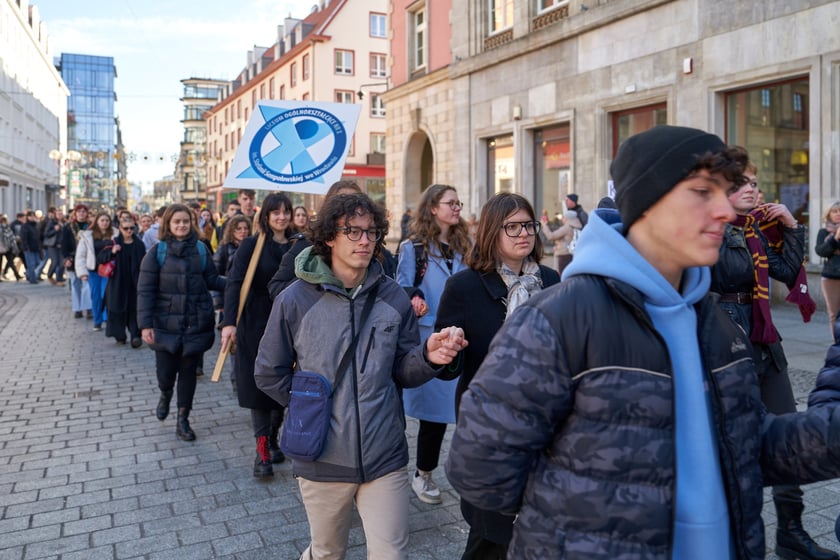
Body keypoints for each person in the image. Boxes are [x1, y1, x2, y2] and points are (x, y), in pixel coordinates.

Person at [445, 125, 840, 559]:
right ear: (649, 201)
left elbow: (747, 443)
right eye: (702, 192)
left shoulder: (715, 323)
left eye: (725, 193)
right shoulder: (560, 318)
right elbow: (479, 467)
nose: (725, 211)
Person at [253, 192, 467, 560]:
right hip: (322, 456)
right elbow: (268, 372)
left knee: (391, 554)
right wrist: (309, 406)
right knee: (327, 552)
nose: (364, 240)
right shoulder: (295, 300)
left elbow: (403, 369)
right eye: (352, 231)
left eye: (371, 232)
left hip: (384, 454)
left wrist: (429, 357)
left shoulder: (394, 298)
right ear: (329, 238)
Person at [710, 155, 834, 560]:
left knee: (788, 436)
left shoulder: (755, 230)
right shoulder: (711, 230)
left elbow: (784, 270)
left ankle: (791, 532)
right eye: (742, 184)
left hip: (765, 341)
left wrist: (792, 227)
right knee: (729, 444)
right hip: (728, 339)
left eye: (754, 184)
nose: (752, 190)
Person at [435, 192, 560, 559]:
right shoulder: (465, 287)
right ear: (493, 231)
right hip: (490, 427)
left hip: (545, 423)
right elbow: (447, 369)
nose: (524, 234)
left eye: (529, 225)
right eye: (513, 227)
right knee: (492, 533)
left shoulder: (551, 280)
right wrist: (448, 351)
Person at [397, 183, 472, 505]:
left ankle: (466, 472)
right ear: (432, 208)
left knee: (462, 407)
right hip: (430, 339)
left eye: (458, 203)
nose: (456, 208)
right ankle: (422, 474)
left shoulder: (466, 246)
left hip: (465, 338)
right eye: (450, 203)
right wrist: (414, 298)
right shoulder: (413, 248)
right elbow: (402, 286)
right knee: (434, 415)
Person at [220, 193, 295, 477]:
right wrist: (229, 323)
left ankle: (274, 437)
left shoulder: (298, 246)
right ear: (265, 215)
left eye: (285, 211)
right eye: (275, 212)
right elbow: (234, 284)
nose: (281, 217)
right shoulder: (252, 245)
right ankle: (262, 453)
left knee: (283, 388)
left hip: (290, 327)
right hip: (255, 325)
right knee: (259, 389)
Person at [137, 204, 225, 441]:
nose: (182, 225)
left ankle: (183, 418)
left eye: (186, 221)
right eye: (177, 221)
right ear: (168, 224)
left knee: (188, 374)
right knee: (166, 374)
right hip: (164, 325)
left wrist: (237, 283)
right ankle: (165, 394)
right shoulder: (157, 252)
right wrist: (145, 325)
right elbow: (145, 290)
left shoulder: (200, 249)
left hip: (195, 323)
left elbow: (213, 280)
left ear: (192, 223)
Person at [267, 180, 363, 299]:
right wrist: (314, 280)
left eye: (356, 202)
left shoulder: (369, 245)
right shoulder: (307, 244)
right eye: (343, 202)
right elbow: (276, 288)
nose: (350, 209)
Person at [98, 217, 146, 347]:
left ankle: (136, 336)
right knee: (116, 309)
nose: (129, 231)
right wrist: (112, 252)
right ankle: (119, 335)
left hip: (135, 283)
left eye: (132, 228)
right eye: (126, 228)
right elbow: (101, 258)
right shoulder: (113, 243)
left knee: (134, 309)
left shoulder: (139, 244)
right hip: (117, 283)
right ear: (120, 229)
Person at [212, 214, 251, 339]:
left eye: (245, 228)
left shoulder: (253, 247)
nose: (243, 231)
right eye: (238, 229)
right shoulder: (224, 249)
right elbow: (215, 276)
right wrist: (219, 303)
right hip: (230, 296)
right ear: (231, 230)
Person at [76, 211, 115, 331]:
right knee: (96, 296)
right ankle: (97, 321)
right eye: (102, 220)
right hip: (94, 270)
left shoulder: (115, 234)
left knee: (107, 295)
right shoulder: (87, 236)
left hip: (110, 270)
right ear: (97, 222)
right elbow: (81, 255)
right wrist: (82, 272)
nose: (104, 223)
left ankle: (107, 319)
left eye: (107, 220)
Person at [61, 204, 92, 318]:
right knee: (75, 284)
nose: (81, 214)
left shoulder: (90, 226)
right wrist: (66, 258)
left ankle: (88, 308)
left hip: (87, 259)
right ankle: (77, 308)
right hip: (72, 258)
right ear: (75, 213)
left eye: (84, 211)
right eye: (79, 212)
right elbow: (64, 244)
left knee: (87, 284)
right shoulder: (68, 227)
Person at [816, 201, 840, 337]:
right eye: (834, 211)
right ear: (829, 214)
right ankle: (837, 346)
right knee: (834, 314)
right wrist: (835, 238)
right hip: (831, 278)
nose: (838, 214)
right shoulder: (824, 232)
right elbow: (821, 251)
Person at [540, 209, 582, 275]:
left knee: (561, 276)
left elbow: (551, 236)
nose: (562, 219)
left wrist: (544, 225)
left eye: (563, 217)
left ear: (567, 218)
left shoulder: (566, 228)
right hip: (572, 254)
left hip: (563, 255)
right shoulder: (577, 226)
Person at [43, 208, 65, 286]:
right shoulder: (51, 222)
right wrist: (55, 230)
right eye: (58, 214)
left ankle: (59, 279)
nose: (60, 215)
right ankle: (49, 275)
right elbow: (46, 234)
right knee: (55, 262)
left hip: (62, 246)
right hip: (53, 245)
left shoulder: (64, 222)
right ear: (55, 215)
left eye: (61, 213)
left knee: (62, 263)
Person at [20, 211, 41, 284]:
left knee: (37, 263)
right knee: (31, 264)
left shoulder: (35, 225)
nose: (32, 217)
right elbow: (23, 238)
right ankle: (33, 279)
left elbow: (38, 237)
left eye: (33, 216)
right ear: (27, 217)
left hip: (36, 247)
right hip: (28, 248)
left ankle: (28, 274)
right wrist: (26, 247)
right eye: (30, 216)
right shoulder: (25, 226)